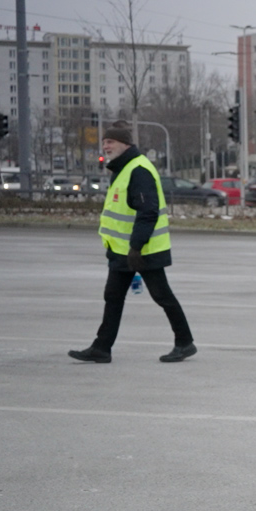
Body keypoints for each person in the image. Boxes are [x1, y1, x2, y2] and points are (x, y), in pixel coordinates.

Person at [69, 122, 195, 363]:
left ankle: (185, 342)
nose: (106, 145)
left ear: (125, 144)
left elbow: (147, 211)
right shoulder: (123, 168)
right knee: (113, 296)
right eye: (104, 142)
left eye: (111, 141)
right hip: (123, 250)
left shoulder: (138, 170)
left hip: (143, 249)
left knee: (161, 295)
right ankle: (102, 348)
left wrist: (136, 246)